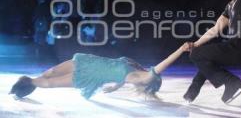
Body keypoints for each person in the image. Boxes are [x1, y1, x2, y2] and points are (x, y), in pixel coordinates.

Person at [9, 42, 192, 100]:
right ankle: (28, 84)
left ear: (149, 82)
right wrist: (116, 86)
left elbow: (160, 67)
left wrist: (181, 49)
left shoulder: (141, 78)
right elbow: (123, 75)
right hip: (88, 61)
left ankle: (25, 84)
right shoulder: (134, 72)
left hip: (90, 75)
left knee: (49, 83)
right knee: (50, 72)